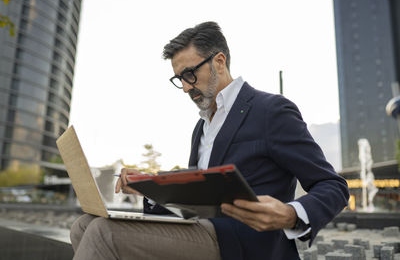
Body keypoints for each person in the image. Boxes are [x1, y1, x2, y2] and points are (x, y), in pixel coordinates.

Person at [70, 21, 349, 260]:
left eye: (190, 74)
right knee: (84, 225)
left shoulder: (271, 111)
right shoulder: (201, 127)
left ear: (219, 61)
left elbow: (333, 186)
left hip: (243, 244)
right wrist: (149, 185)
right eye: (180, 79)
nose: (186, 87)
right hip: (199, 232)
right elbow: (198, 195)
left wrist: (291, 214)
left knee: (103, 232)